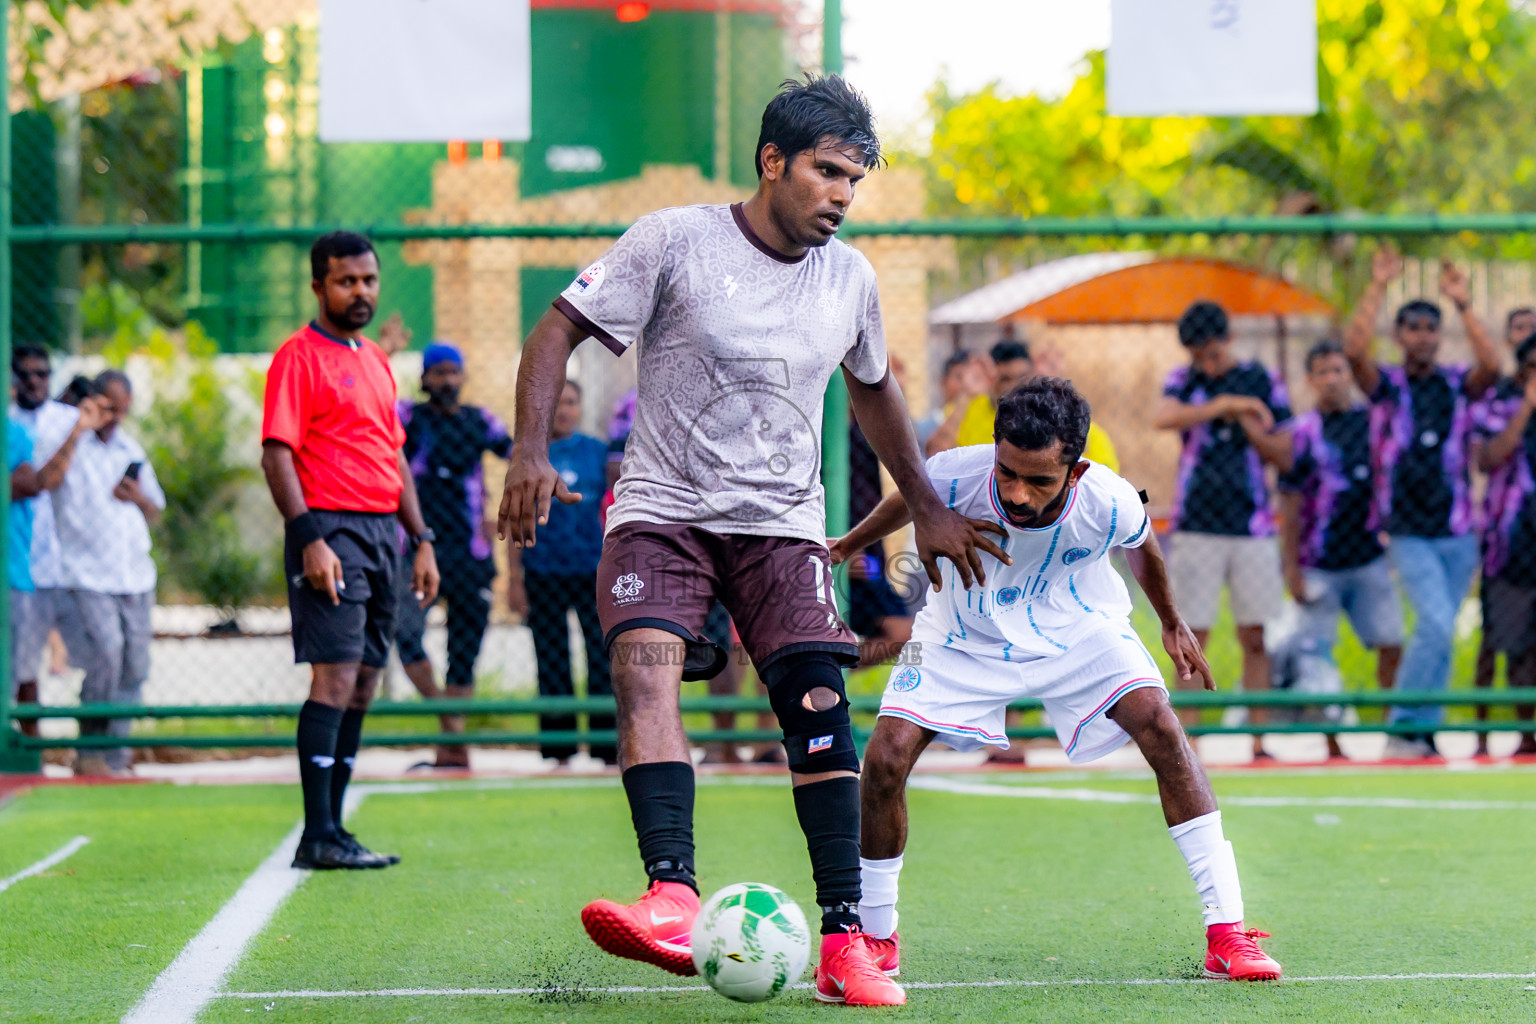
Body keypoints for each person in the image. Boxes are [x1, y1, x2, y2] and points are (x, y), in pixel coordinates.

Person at [499, 75, 1002, 1007]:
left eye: (855, 179)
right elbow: (557, 331)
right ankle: (670, 896)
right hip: (664, 516)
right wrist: (528, 449)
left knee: (819, 708)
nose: (842, 195)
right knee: (644, 666)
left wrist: (925, 502)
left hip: (783, 530)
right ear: (773, 162)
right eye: (826, 171)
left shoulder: (850, 276)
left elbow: (875, 387)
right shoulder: (673, 240)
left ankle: (848, 942)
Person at [836, 378, 1282, 986]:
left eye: (1039, 480)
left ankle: (1229, 934)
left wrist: (1172, 623)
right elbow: (912, 500)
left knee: (1163, 729)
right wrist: (846, 547)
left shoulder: (1111, 497)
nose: (1017, 493)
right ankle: (876, 936)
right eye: (1008, 472)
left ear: (1075, 471)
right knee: (884, 759)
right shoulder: (955, 471)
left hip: (1080, 625)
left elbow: (1143, 544)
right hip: (957, 633)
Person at [261, 230, 440, 870]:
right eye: (346, 281)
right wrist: (309, 538)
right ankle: (318, 834)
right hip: (329, 531)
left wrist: (420, 541)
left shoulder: (375, 361)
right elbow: (276, 453)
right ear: (319, 287)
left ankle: (333, 831)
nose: (360, 292)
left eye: (368, 280)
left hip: (382, 536)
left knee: (364, 683)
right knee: (335, 678)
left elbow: (392, 456)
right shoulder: (297, 358)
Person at [1342, 250, 1502, 758]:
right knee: (1434, 624)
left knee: (1441, 635)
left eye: (1430, 327)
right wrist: (1378, 285)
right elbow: (1353, 353)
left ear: (1439, 333)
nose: (1422, 334)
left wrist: (1464, 303)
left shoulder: (1457, 384)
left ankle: (1423, 733)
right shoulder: (1388, 386)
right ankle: (1403, 727)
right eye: (1411, 327)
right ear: (1400, 335)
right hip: (1409, 532)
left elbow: (1493, 366)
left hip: (1458, 532)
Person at [1154, 300, 1293, 760]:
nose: (1206, 364)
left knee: (1255, 635)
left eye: (1211, 354)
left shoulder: (1261, 379)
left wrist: (1247, 420)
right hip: (1196, 524)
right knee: (1192, 635)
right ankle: (1184, 745)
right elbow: (1163, 416)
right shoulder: (1186, 380)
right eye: (1198, 356)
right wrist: (1224, 405)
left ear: (1228, 340)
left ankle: (1259, 741)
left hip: (1253, 524)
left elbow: (1284, 442)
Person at [1276, 340, 1405, 760]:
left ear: (1351, 375)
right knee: (1316, 657)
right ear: (1310, 380)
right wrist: (1291, 571)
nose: (1333, 379)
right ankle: (1334, 745)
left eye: (1339, 370)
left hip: (1370, 559)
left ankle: (1394, 733)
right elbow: (1290, 505)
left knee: (1391, 643)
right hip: (1319, 565)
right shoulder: (1303, 434)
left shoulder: (1375, 425)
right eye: (1323, 372)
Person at [35, 370, 165, 777]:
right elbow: (47, 480)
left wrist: (137, 496)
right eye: (108, 408)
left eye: (121, 411)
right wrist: (79, 427)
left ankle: (115, 754)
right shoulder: (70, 442)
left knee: (134, 666)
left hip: (134, 575)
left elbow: (156, 510)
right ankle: (90, 749)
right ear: (93, 402)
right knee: (105, 655)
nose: (114, 419)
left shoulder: (131, 448)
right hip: (87, 574)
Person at [394, 341, 512, 771]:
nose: (446, 380)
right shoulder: (409, 418)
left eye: (453, 372)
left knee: (464, 650)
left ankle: (450, 750)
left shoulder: (479, 420)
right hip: (416, 548)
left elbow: (516, 452)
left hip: (468, 552)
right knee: (405, 634)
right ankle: (451, 731)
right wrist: (386, 354)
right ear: (424, 378)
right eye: (438, 372)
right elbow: (374, 416)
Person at [505, 380, 614, 764]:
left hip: (591, 571)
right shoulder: (528, 457)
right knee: (551, 657)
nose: (564, 410)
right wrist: (514, 579)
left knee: (600, 657)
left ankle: (605, 747)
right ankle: (558, 748)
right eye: (558, 403)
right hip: (543, 570)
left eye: (570, 403)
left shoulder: (598, 454)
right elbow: (514, 520)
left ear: (580, 408)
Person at [9, 347, 102, 740]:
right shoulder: (10, 424)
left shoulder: (67, 419)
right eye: (25, 375)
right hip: (20, 562)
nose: (34, 382)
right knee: (19, 666)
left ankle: (61, 749)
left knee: (92, 654)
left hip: (60, 563)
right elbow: (35, 483)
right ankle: (28, 749)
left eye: (42, 374)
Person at [1470, 307, 1536, 754]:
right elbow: (1489, 456)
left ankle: (1527, 736)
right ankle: (1479, 733)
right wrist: (1529, 405)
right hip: (1508, 541)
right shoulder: (1500, 400)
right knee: (1498, 638)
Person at [952, 339, 1120, 470]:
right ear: (991, 380)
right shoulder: (970, 410)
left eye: (1022, 377)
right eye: (1004, 379)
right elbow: (936, 456)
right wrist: (966, 396)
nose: (1014, 386)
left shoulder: (1057, 416)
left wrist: (1056, 387)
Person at [917, 350, 987, 456]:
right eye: (959, 377)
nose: (966, 383)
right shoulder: (928, 425)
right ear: (943, 382)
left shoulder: (989, 418)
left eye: (975, 378)